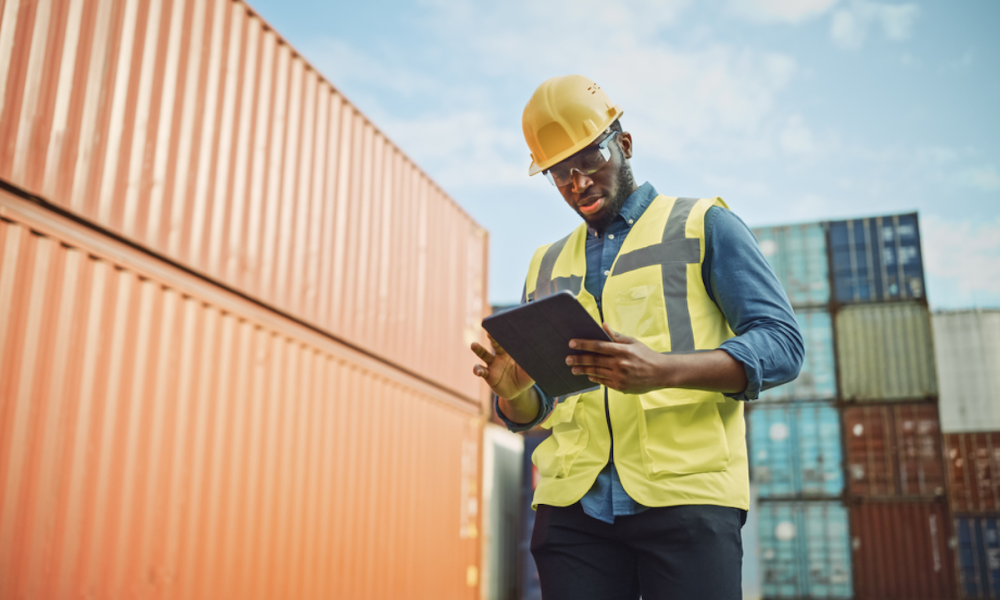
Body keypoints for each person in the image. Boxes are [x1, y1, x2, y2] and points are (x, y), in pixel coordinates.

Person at [470, 74, 804, 600]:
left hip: (686, 497)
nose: (577, 183)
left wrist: (663, 371)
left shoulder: (704, 225)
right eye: (559, 172)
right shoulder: (545, 263)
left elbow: (783, 344)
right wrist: (513, 393)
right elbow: (538, 411)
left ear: (624, 145)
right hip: (573, 510)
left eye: (589, 160)